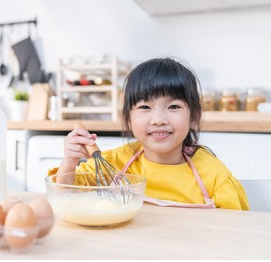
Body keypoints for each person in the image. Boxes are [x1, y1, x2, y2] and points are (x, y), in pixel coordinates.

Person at [49, 57, 249, 210]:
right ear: (128, 117)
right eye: (145, 107)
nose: (159, 119)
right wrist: (70, 161)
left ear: (193, 116)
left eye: (173, 106)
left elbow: (234, 233)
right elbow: (66, 197)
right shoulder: (114, 164)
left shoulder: (214, 177)